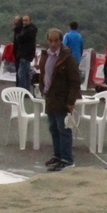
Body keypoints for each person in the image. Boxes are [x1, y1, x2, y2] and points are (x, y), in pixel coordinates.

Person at [39, 28, 81, 172]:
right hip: (50, 96)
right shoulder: (46, 55)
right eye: (51, 40)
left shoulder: (68, 58)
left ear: (61, 41)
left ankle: (67, 159)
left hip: (62, 98)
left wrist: (71, 101)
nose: (53, 43)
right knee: (53, 128)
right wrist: (42, 89)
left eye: (56, 40)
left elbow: (75, 81)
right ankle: (57, 156)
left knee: (64, 129)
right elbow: (43, 73)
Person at [16, 15, 38, 92]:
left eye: (26, 20)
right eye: (23, 20)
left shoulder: (28, 30)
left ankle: (22, 90)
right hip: (28, 54)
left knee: (21, 74)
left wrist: (18, 36)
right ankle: (27, 90)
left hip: (24, 54)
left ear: (30, 21)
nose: (24, 22)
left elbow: (20, 38)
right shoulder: (32, 29)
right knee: (26, 73)